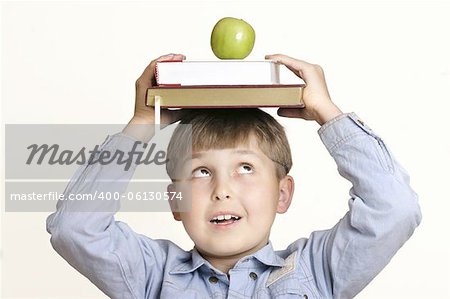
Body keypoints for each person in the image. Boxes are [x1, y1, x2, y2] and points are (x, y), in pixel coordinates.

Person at [46, 53, 421, 298]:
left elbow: (394, 209)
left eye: (245, 168)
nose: (222, 190)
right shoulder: (151, 276)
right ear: (176, 200)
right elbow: (76, 229)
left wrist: (328, 112)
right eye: (201, 171)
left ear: (282, 194)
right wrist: (142, 125)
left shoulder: (317, 270)